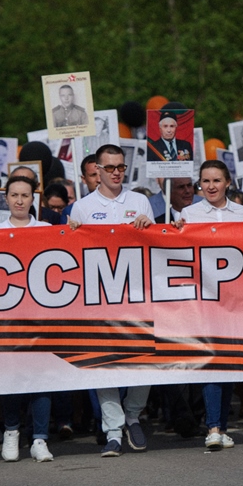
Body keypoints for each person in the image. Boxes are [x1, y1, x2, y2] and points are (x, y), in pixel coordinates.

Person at [68, 144, 153, 456]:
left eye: (121, 167)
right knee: (103, 363)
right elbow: (72, 253)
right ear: (98, 170)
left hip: (137, 293)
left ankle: (133, 415)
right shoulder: (82, 207)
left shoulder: (140, 201)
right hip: (99, 296)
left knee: (144, 358)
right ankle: (113, 430)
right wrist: (72, 232)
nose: (117, 173)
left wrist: (149, 228)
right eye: (110, 168)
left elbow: (158, 246)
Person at [173, 160, 243, 450]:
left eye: (216, 180)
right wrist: (175, 231)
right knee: (211, 360)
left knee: (228, 362)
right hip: (203, 299)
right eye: (205, 181)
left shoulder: (242, 213)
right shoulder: (190, 213)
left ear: (228, 182)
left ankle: (222, 426)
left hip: (234, 300)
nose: (211, 186)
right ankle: (213, 427)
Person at [0, 175, 55, 464]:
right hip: (8, 319)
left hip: (41, 318)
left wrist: (74, 230)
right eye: (14, 195)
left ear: (33, 198)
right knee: (13, 378)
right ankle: (11, 431)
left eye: (25, 195)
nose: (19, 200)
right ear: (5, 198)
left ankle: (40, 439)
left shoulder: (47, 230)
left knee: (41, 379)